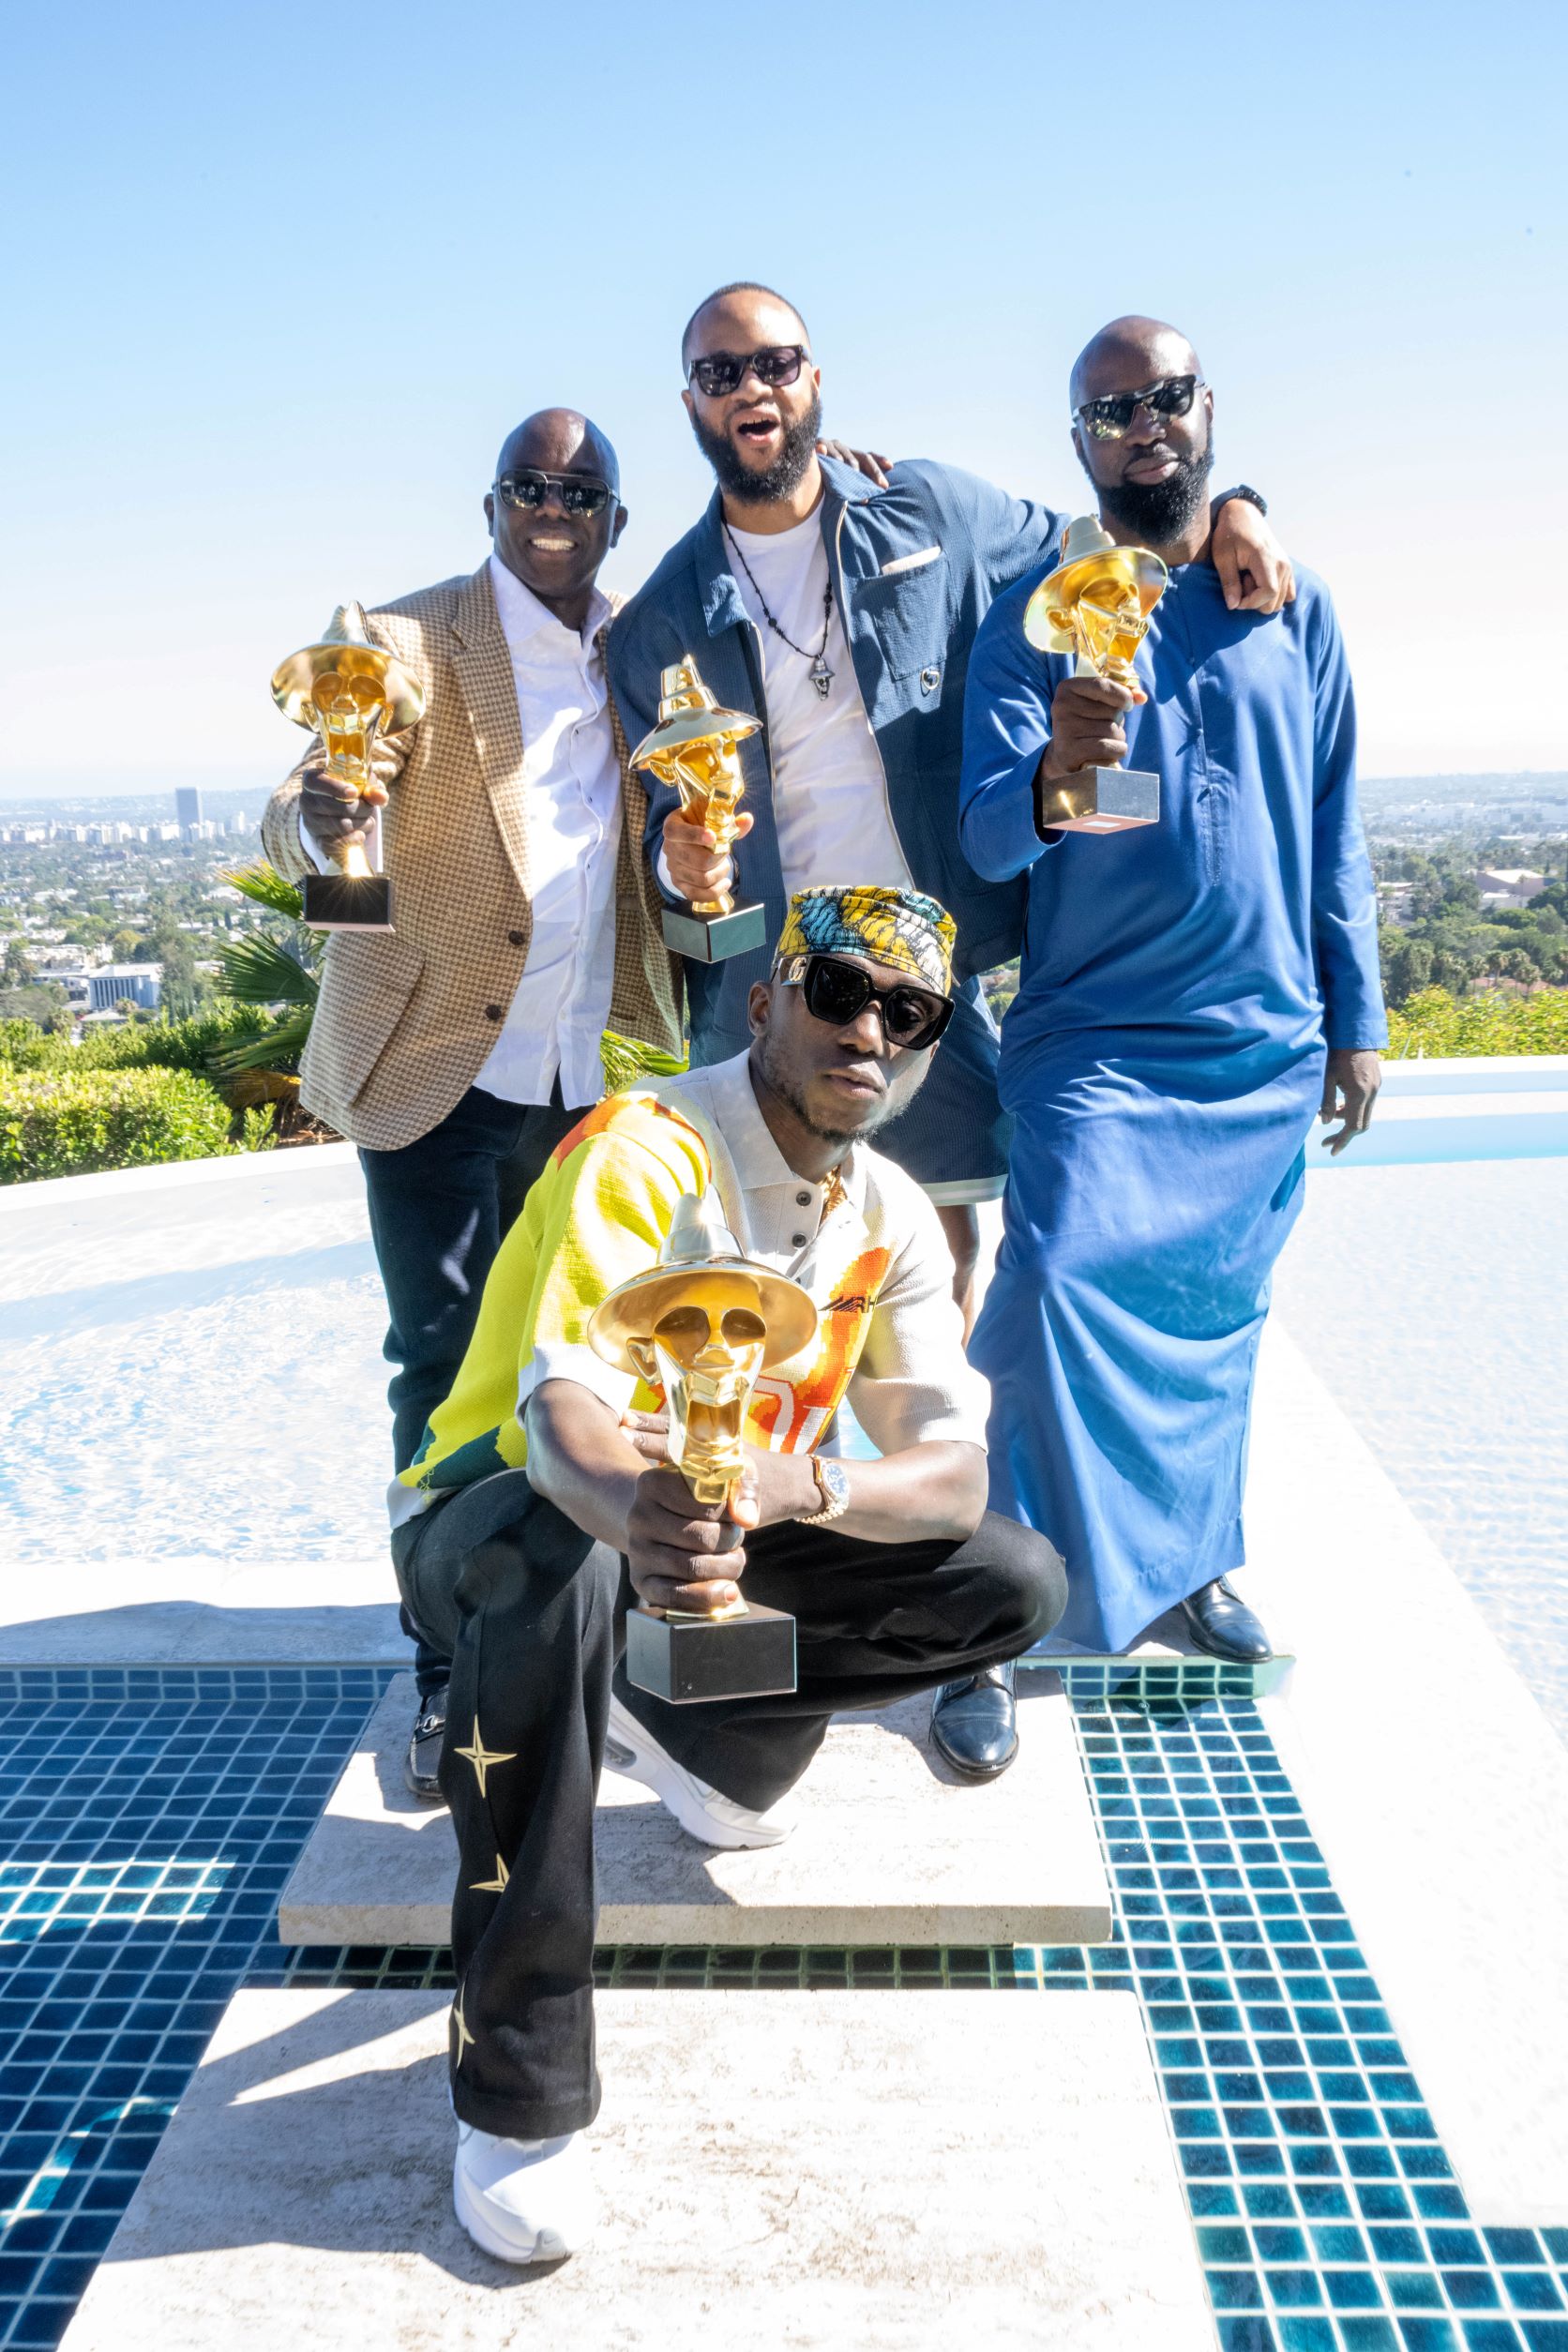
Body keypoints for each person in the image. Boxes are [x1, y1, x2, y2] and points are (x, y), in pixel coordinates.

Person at [607, 279, 1290, 1770]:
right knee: (780, 1302)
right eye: (722, 372)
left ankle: (965, 1591)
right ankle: (803, 1582)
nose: (754, 390)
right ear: (693, 406)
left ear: (814, 377)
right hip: (789, 1000)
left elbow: (1114, 533)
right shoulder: (659, 616)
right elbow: (690, 913)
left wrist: (1234, 500)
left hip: (952, 982)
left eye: (776, 362)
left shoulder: (929, 506)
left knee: (961, 1285)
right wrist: (693, 887)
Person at [387, 885, 1067, 2264]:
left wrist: (800, 1484)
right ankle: (521, 2095)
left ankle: (688, 1717)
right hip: (504, 1511)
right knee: (549, 1571)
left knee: (1007, 1581)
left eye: (910, 1013)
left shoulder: (887, 1216)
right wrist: (639, 1509)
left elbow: (951, 1472)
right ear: (765, 1002)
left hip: (714, 1531)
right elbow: (563, 1411)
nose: (871, 1029)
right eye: (840, 991)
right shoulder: (645, 1149)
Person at [262, 410, 682, 1799]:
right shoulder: (403, 643)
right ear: (493, 505)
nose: (552, 505)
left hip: (580, 1078)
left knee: (576, 1369)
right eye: (528, 485)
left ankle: (563, 1632)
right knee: (442, 1373)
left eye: (582, 490)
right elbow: (303, 802)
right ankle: (447, 1659)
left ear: (615, 519)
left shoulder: (644, 646)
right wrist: (321, 820)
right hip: (434, 1070)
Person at [958, 316, 1386, 1663]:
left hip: (1258, 1042)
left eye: (1167, 396)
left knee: (1216, 1324)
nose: (1144, 422)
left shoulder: (1287, 599)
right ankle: (996, 1607)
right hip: (1097, 1037)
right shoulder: (1037, 617)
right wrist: (1052, 768)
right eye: (1110, 409)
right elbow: (984, 832)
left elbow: (1334, 820)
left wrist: (1356, 1020)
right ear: (1079, 444)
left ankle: (1190, 1569)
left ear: (1208, 410)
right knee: (1050, 1295)